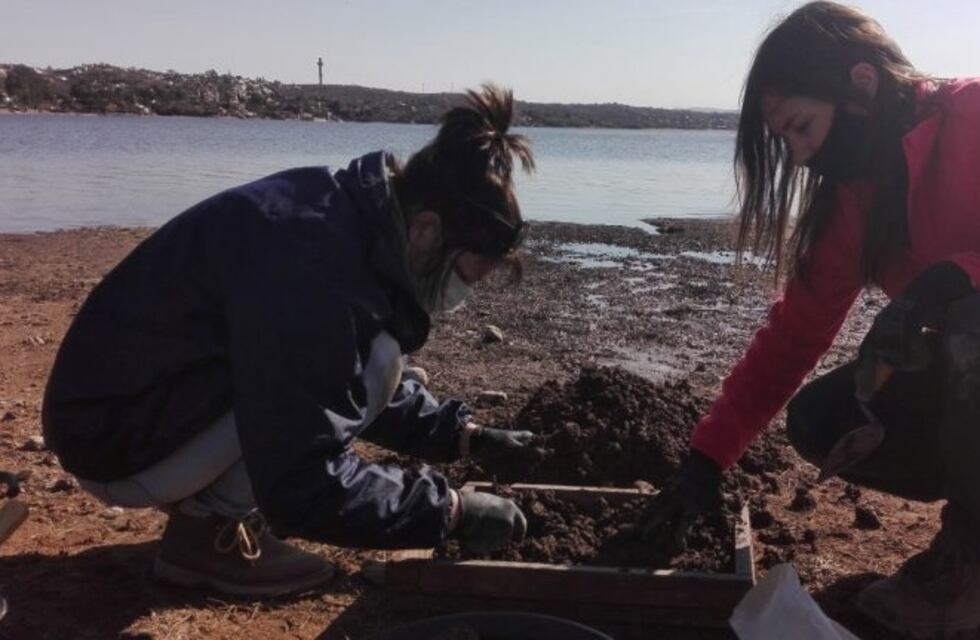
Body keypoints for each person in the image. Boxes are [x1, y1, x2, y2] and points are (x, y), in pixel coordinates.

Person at [41, 85, 535, 598]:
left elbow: (328, 374)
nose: (463, 294)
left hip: (131, 406)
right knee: (383, 361)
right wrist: (449, 511)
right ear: (427, 231)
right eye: (468, 275)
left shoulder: (346, 218)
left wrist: (460, 437)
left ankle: (207, 509)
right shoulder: (313, 268)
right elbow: (303, 482)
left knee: (374, 358)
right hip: (111, 437)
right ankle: (206, 539)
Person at [638, 2, 980, 636]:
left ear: (861, 84)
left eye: (802, 127)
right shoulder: (855, 200)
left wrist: (956, 274)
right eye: (786, 140)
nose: (798, 157)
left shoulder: (971, 118)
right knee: (823, 418)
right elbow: (792, 337)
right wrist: (705, 462)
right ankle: (969, 534)